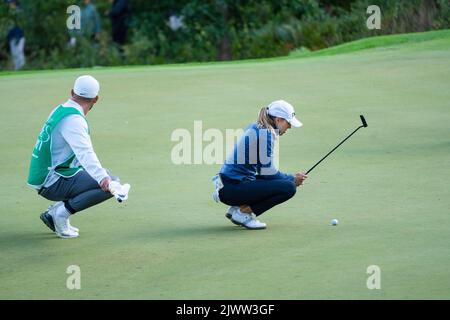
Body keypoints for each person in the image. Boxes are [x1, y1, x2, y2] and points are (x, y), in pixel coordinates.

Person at [27, 75, 126, 239]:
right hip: (51, 181)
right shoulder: (74, 120)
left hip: (47, 174)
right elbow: (85, 153)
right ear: (96, 99)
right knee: (111, 185)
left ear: (72, 92)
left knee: (107, 178)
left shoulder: (61, 109)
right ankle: (59, 214)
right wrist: (103, 179)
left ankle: (54, 212)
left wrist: (101, 176)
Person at [212, 100, 308, 230]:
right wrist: (291, 179)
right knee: (289, 188)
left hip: (228, 185)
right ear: (279, 120)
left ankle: (237, 207)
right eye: (288, 123)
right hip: (232, 188)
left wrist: (289, 177)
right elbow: (267, 172)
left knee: (281, 182)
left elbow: (263, 171)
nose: (290, 127)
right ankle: (243, 213)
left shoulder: (256, 127)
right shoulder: (266, 134)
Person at [6, 0, 25, 70]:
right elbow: (9, 27)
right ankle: (17, 70)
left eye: (10, 3)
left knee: (19, 53)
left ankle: (22, 68)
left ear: (14, 3)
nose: (9, 4)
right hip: (12, 38)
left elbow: (21, 26)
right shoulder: (10, 13)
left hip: (19, 37)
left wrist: (18, 36)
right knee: (14, 55)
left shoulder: (19, 12)